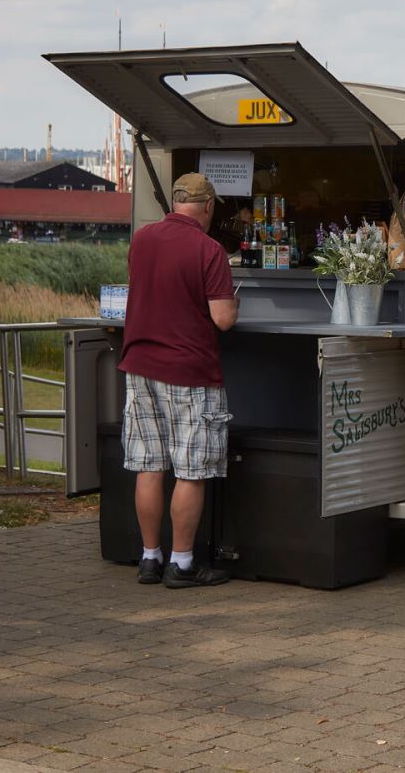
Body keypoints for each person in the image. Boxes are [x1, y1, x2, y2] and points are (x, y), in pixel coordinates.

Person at [119, 173, 240, 588]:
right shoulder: (210, 250)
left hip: (138, 365)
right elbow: (222, 319)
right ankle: (183, 564)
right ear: (208, 207)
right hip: (189, 371)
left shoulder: (143, 240)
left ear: (174, 203)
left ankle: (150, 558)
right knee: (191, 469)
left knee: (149, 465)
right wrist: (234, 303)